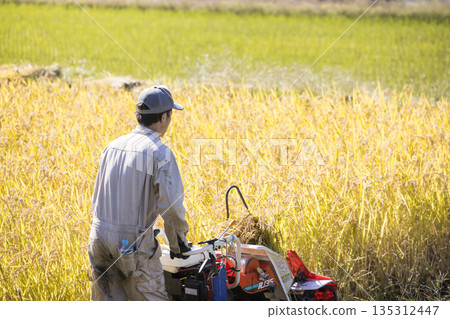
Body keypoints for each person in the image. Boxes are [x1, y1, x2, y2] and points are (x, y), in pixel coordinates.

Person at [88, 85, 190, 301]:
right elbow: (171, 206)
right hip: (132, 247)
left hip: (98, 240)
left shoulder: (112, 146)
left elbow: (97, 196)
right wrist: (178, 244)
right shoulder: (159, 153)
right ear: (163, 117)